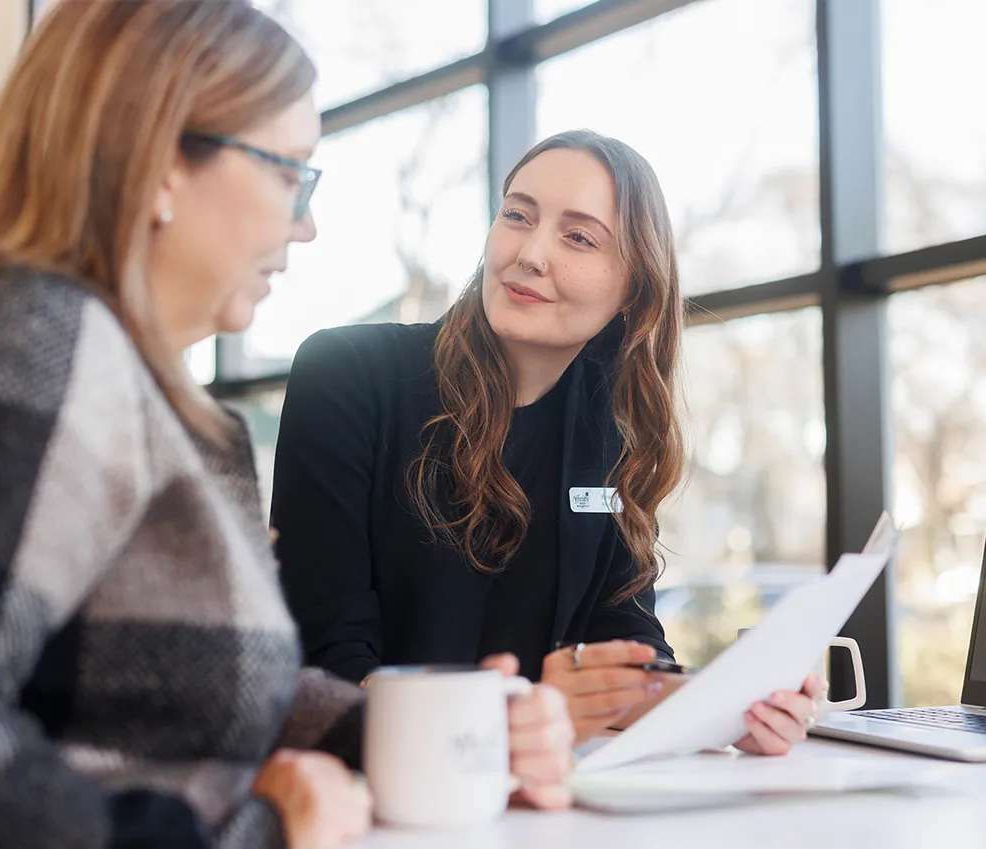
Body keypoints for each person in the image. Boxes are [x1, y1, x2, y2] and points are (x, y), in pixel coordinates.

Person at [0, 4, 573, 849]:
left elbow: (204, 690)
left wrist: (429, 733)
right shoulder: (44, 344)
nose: (306, 223)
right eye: (287, 172)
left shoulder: (179, 414)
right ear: (160, 161)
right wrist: (260, 833)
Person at [271, 128, 826, 750]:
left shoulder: (607, 432)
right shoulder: (346, 374)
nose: (530, 253)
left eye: (579, 237)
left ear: (632, 292)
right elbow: (326, 662)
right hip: (373, 789)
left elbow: (625, 638)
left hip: (528, 796)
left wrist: (731, 708)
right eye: (516, 215)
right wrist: (504, 720)